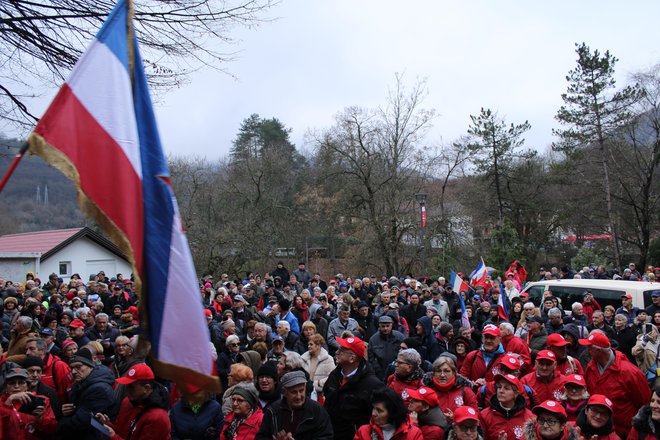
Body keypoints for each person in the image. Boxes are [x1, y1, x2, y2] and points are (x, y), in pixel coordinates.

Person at [579, 331, 650, 438]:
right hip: (597, 432)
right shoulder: (591, 367)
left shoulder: (630, 373)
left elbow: (644, 404)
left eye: (589, 347)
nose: (587, 350)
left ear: (598, 351)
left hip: (624, 433)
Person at [323, 336, 385, 440]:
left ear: (352, 358)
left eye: (342, 350)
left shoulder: (372, 385)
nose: (337, 352)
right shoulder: (335, 375)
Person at [96, 363, 171, 440]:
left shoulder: (157, 417)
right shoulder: (127, 402)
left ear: (147, 388)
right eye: (126, 385)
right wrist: (109, 426)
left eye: (132, 387)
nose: (127, 390)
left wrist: (114, 437)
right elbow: (123, 432)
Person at [58, 347, 119, 439]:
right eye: (72, 368)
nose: (74, 372)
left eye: (78, 367)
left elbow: (82, 421)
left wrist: (60, 422)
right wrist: (68, 411)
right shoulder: (80, 384)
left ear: (90, 366)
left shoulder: (99, 389)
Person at [256, 370, 333, 440]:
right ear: (284, 392)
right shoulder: (273, 411)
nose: (298, 396)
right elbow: (261, 437)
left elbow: (326, 436)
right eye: (293, 392)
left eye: (301, 391)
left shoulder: (317, 410)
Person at [0, 367, 57, 439]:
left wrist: (40, 420)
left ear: (27, 386)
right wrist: (8, 403)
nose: (16, 386)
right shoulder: (1, 403)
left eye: (21, 382)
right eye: (12, 383)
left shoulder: (41, 401)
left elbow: (52, 430)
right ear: (6, 387)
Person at [479, 374, 535, 440]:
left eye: (506, 388)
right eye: (499, 387)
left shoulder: (529, 418)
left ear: (516, 394)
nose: (501, 391)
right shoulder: (484, 416)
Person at [354, 387, 423, 440]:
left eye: (379, 411)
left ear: (392, 413)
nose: (373, 413)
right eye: (373, 408)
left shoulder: (413, 434)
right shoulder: (364, 431)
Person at [369, 315, 405, 381]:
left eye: (387, 326)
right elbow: (371, 358)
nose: (385, 328)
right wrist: (377, 370)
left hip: (398, 370)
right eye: (383, 326)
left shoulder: (400, 337)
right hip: (380, 371)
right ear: (379, 327)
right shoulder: (373, 339)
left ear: (391, 326)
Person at [301, 333, 335, 400]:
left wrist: (318, 383)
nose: (309, 346)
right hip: (305, 394)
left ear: (318, 345)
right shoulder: (303, 359)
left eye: (311, 344)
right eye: (308, 344)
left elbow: (332, 377)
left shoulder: (328, 359)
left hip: (321, 395)